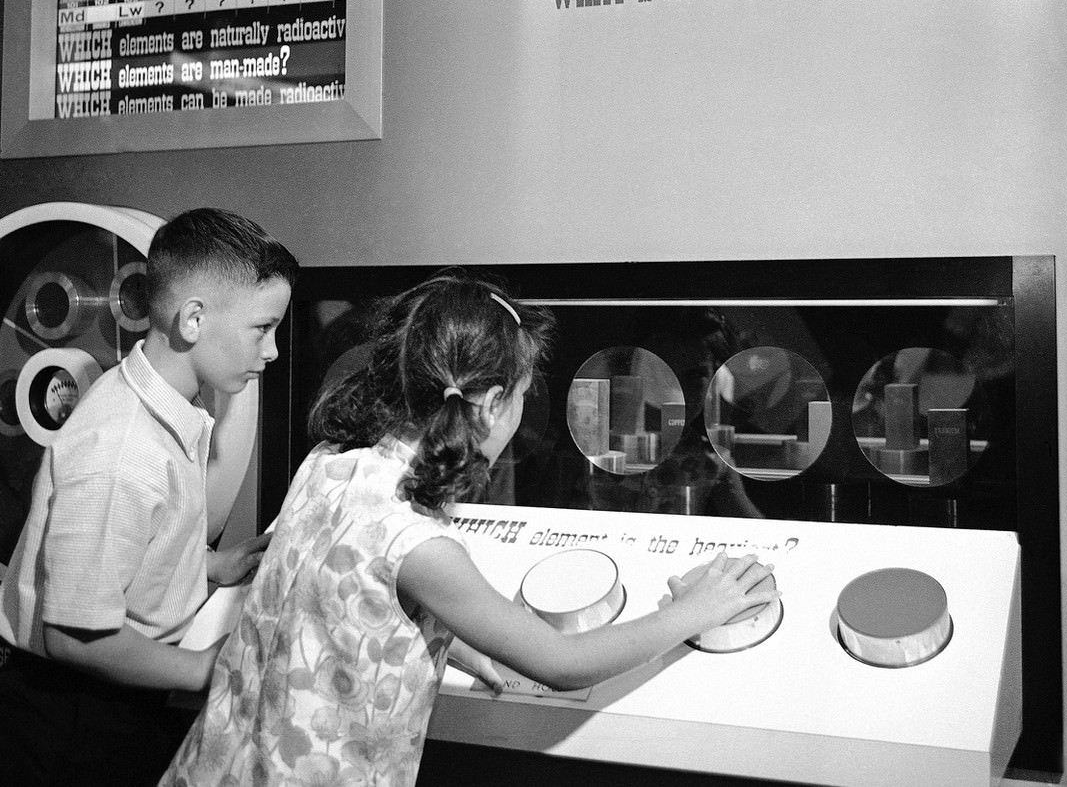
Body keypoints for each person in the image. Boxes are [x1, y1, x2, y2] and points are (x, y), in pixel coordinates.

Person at [161, 273, 776, 787]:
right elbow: (559, 662)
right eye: (522, 399)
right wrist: (695, 609)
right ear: (489, 403)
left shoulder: (329, 461)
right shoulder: (420, 546)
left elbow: (341, 598)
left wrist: (452, 633)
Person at [0, 207, 298, 786]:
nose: (273, 351)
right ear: (192, 319)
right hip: (75, 718)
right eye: (262, 329)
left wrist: (211, 565)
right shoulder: (123, 451)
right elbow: (76, 635)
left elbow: (135, 547)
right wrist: (205, 669)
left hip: (113, 697)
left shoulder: (163, 403)